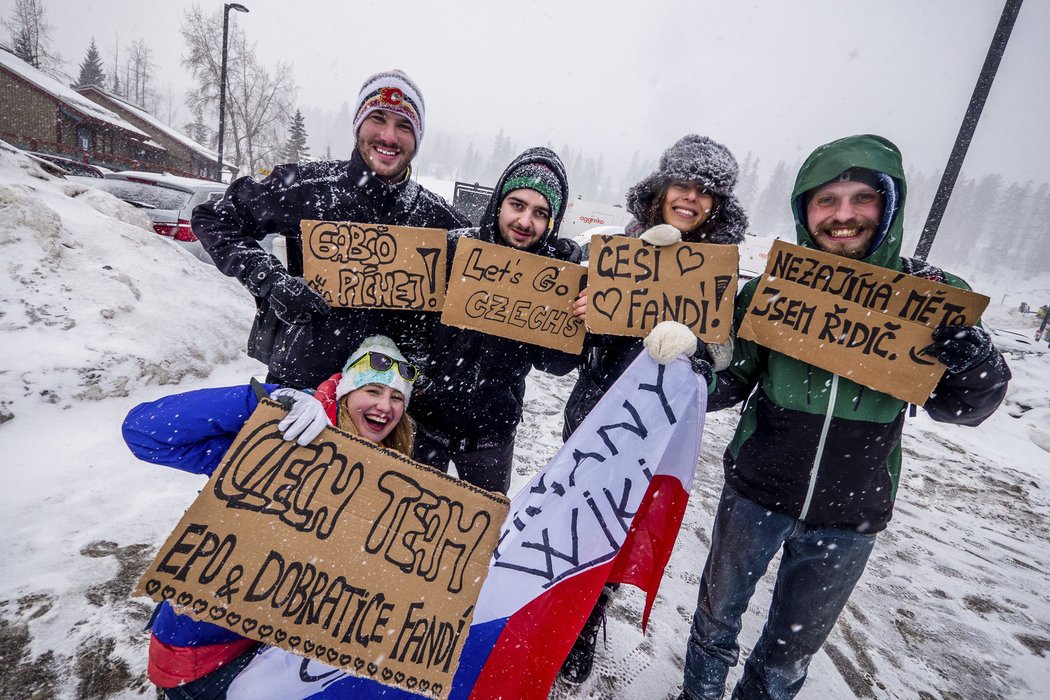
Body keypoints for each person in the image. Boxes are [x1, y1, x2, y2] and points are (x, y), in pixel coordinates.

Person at [677, 134, 1011, 700]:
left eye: (862, 199)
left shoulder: (929, 300)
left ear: (889, 207)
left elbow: (965, 407)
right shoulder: (774, 291)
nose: (844, 215)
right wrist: (690, 372)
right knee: (715, 623)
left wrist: (974, 363)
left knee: (788, 654)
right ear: (806, 211)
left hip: (850, 511)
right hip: (756, 490)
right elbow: (731, 380)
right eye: (826, 200)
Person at [121, 336, 416, 699]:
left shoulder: (392, 474)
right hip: (208, 653)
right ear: (344, 394)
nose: (384, 407)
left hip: (291, 647)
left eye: (397, 397)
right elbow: (144, 433)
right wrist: (264, 400)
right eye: (372, 391)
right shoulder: (275, 439)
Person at [559, 134, 749, 684]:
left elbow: (726, 365)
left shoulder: (720, 273)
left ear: (719, 204)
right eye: (681, 184)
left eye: (705, 191)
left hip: (655, 430)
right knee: (570, 519)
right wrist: (588, 315)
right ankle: (556, 613)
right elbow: (574, 351)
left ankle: (586, 622)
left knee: (615, 530)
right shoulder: (618, 249)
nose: (690, 198)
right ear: (661, 188)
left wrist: (698, 358)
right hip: (595, 412)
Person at [192, 69, 469, 389]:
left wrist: (424, 348)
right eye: (378, 118)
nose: (390, 137)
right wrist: (270, 280)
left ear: (417, 139)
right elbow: (214, 218)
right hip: (301, 386)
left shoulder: (439, 220)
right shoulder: (307, 187)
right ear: (358, 125)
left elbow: (491, 281)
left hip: (386, 403)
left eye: (404, 125)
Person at [408, 147, 582, 494]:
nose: (525, 222)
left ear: (551, 222)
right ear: (499, 203)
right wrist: (422, 375)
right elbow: (412, 322)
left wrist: (575, 314)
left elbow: (556, 363)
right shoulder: (454, 249)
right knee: (402, 521)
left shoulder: (554, 278)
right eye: (517, 205)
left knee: (482, 534)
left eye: (540, 213)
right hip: (425, 422)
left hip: (492, 434)